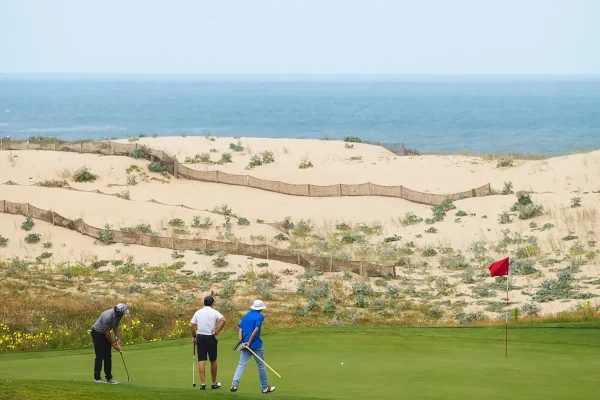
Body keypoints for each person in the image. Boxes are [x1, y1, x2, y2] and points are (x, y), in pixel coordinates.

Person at [230, 299, 276, 394]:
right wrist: (249, 343)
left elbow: (240, 329)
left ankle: (234, 385)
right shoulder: (260, 316)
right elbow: (255, 330)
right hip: (256, 345)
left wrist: (242, 342)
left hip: (245, 344)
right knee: (261, 365)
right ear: (260, 308)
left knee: (241, 364)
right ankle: (264, 388)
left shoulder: (246, 315)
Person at [190, 295, 227, 390]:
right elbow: (223, 320)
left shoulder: (198, 312)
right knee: (213, 360)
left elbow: (192, 325)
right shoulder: (214, 312)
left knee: (201, 360)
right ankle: (214, 383)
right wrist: (217, 331)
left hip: (200, 337)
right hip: (210, 337)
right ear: (212, 304)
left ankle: (203, 384)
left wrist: (194, 336)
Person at [91, 303, 129, 384]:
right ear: (119, 312)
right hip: (97, 334)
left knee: (108, 356)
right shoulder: (107, 317)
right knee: (100, 356)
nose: (123, 315)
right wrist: (114, 345)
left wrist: (118, 338)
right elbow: (107, 333)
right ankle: (97, 378)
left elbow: (115, 326)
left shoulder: (118, 316)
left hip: (105, 334)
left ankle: (109, 378)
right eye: (123, 313)